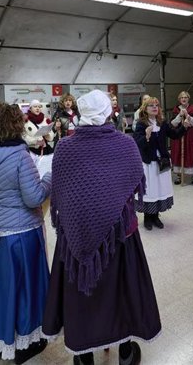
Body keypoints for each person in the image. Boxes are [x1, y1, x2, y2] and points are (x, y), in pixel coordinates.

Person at [43, 90, 161, 365]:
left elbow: (59, 191)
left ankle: (83, 354)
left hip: (75, 235)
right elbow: (134, 184)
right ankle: (125, 350)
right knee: (121, 291)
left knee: (82, 293)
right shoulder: (126, 144)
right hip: (119, 236)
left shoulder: (65, 148)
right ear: (109, 113)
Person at [0, 102, 51, 363]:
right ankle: (25, 343)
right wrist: (49, 176)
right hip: (20, 233)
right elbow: (33, 197)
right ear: (14, 124)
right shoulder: (19, 155)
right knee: (26, 289)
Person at [133, 96, 185, 230]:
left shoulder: (162, 123)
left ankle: (156, 217)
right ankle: (147, 218)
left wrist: (184, 127)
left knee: (159, 189)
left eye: (156, 105)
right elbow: (138, 144)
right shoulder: (141, 124)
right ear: (145, 109)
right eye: (151, 105)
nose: (155, 107)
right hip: (148, 163)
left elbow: (174, 135)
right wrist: (147, 136)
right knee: (150, 189)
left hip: (162, 163)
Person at [170, 90, 193, 185]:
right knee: (178, 153)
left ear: (188, 99)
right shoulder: (176, 110)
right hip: (179, 135)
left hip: (190, 136)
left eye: (185, 97)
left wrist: (187, 116)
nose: (184, 99)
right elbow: (173, 123)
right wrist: (180, 115)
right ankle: (179, 176)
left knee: (192, 154)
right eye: (182, 97)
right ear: (179, 99)